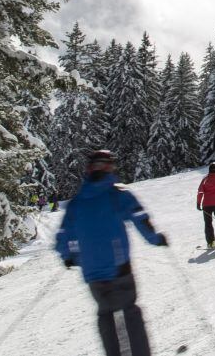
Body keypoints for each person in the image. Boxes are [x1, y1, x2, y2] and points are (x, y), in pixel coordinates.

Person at [56, 150, 168, 356]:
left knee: (106, 314)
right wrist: (156, 238)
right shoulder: (118, 195)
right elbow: (140, 218)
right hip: (118, 268)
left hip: (92, 274)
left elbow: (64, 235)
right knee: (129, 312)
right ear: (109, 168)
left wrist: (69, 256)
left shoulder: (77, 203)